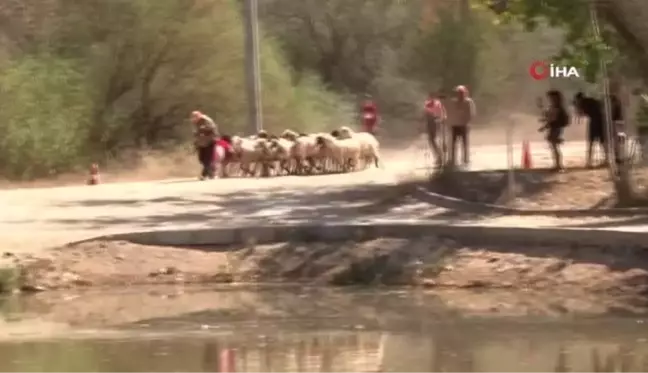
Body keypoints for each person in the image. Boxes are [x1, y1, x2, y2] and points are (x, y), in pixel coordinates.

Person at [573, 92, 607, 167]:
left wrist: (577, 106)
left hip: (595, 121)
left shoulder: (583, 103)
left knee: (591, 142)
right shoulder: (591, 100)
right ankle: (606, 159)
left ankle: (589, 161)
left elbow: (580, 114)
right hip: (601, 120)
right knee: (602, 141)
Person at [446, 85, 476, 166]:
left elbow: (471, 114)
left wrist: (467, 122)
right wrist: (449, 122)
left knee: (464, 144)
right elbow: (450, 113)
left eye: (460, 93)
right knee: (453, 144)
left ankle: (465, 159)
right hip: (455, 125)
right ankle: (452, 160)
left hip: (464, 125)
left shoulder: (468, 102)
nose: (459, 94)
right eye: (458, 93)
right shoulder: (453, 102)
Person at [539, 90, 569, 172]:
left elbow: (551, 119)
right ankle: (557, 164)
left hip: (555, 128)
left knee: (554, 147)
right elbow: (549, 117)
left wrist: (544, 127)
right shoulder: (556, 107)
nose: (550, 99)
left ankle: (558, 165)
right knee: (554, 147)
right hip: (555, 128)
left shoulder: (556, 108)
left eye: (551, 97)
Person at [190, 110, 218, 180]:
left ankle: (203, 175)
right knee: (201, 159)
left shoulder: (206, 120)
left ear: (199, 115)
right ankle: (212, 172)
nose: (194, 118)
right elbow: (197, 132)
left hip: (210, 141)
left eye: (195, 117)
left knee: (207, 159)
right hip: (201, 142)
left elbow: (212, 128)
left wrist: (203, 128)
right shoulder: (196, 122)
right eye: (193, 117)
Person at [422, 92, 446, 166]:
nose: (431, 98)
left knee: (434, 140)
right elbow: (425, 114)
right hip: (431, 123)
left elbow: (441, 114)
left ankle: (440, 157)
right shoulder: (427, 103)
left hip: (436, 123)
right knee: (432, 141)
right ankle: (439, 157)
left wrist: (440, 120)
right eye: (430, 97)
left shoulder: (437, 103)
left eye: (432, 97)